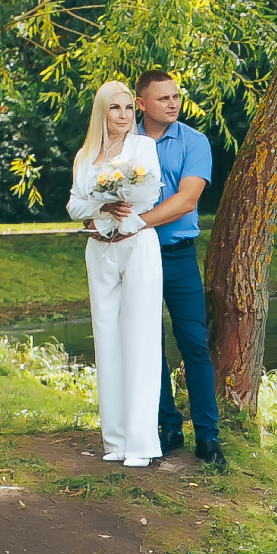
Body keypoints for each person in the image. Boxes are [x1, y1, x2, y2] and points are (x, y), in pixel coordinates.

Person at [129, 69, 225, 466]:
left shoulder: (194, 142)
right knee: (147, 345)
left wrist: (135, 220)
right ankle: (168, 428)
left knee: (194, 345)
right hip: (133, 255)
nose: (173, 103)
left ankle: (208, 437)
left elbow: (186, 201)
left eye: (176, 97)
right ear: (141, 104)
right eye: (163, 98)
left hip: (177, 255)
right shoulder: (124, 143)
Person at [66, 81, 164, 468]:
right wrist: (103, 204)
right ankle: (116, 440)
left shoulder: (143, 148)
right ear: (102, 113)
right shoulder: (87, 154)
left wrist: (122, 209)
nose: (123, 116)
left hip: (137, 245)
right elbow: (75, 205)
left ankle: (141, 444)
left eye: (128, 108)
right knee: (106, 337)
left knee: (140, 338)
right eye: (115, 108)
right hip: (99, 248)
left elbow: (150, 193)